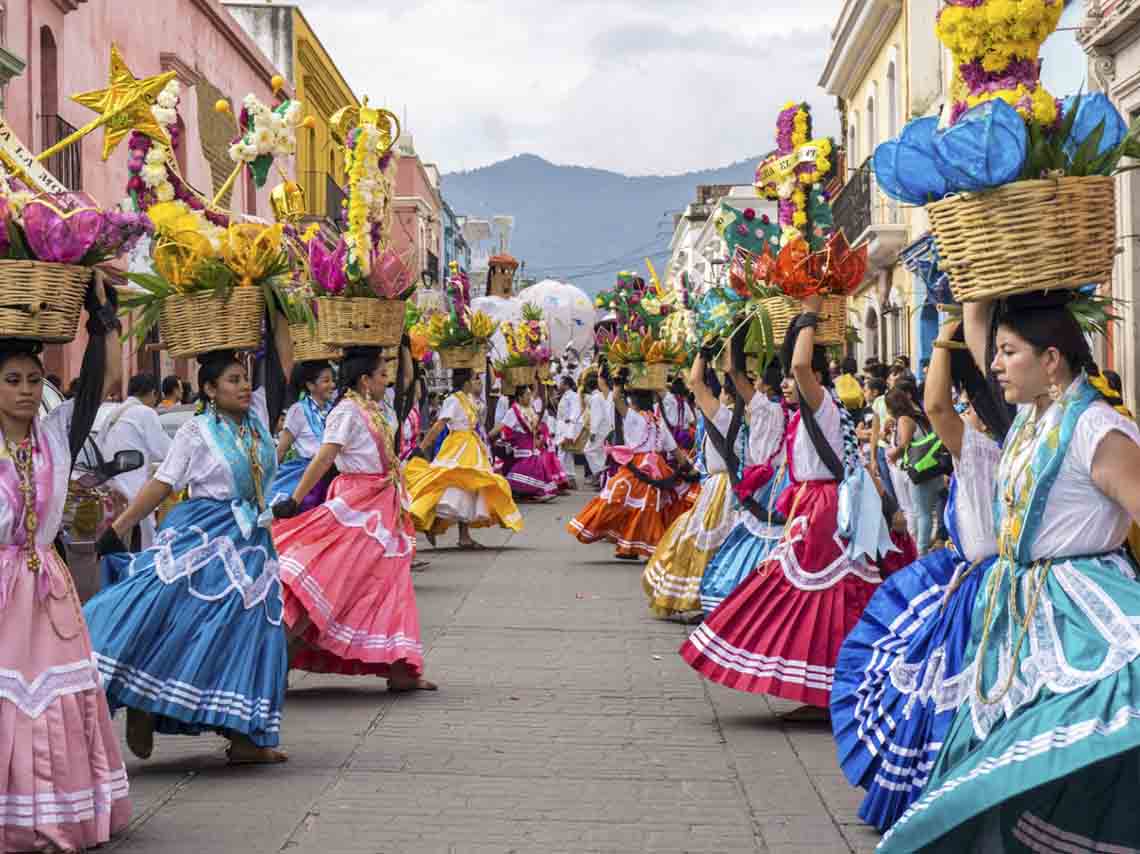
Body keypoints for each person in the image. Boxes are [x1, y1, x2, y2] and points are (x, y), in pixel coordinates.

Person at [879, 293, 1140, 852]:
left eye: (1007, 352)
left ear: (1051, 360)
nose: (993, 365)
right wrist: (974, 285)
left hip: (1083, 616)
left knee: (1058, 753)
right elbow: (978, 330)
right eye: (995, 351)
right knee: (1004, 759)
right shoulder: (1030, 417)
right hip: (1016, 614)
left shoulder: (1096, 428)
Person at [831, 320, 1010, 832]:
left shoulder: (987, 450)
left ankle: (954, 799)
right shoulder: (1011, 443)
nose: (965, 413)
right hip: (989, 580)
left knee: (957, 702)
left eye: (971, 405)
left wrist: (949, 334)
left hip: (989, 587)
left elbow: (934, 408)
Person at [680, 294, 889, 717]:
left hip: (824, 507)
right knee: (807, 599)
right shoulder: (803, 412)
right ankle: (818, 687)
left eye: (796, 378)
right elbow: (768, 370)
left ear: (814, 374)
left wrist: (807, 316)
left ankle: (826, 687)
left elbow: (795, 366)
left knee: (816, 599)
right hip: (809, 502)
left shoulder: (821, 404)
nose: (787, 384)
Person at [85, 350, 288, 765]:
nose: (244, 386)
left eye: (245, 378)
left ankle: (245, 736)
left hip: (252, 539)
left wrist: (275, 310)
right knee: (181, 619)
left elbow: (284, 365)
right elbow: (163, 484)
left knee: (252, 630)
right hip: (203, 535)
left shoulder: (257, 423)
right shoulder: (196, 431)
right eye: (233, 380)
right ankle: (141, 698)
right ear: (210, 390)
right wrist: (118, 528)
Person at [0, 272, 131, 852]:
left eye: (33, 379)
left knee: (53, 697)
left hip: (45, 586)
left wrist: (99, 320)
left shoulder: (54, 437)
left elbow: (95, 389)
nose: (26, 390)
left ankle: (57, 815)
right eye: (12, 381)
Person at [271, 347, 433, 690]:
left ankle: (400, 667)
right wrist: (294, 499)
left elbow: (407, 381)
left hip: (382, 504)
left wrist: (404, 349)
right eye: (381, 375)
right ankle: (274, 659)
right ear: (364, 380)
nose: (387, 381)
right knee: (334, 582)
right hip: (357, 507)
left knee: (388, 581)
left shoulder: (374, 408)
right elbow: (324, 458)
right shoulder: (347, 411)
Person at [642, 356, 741, 616]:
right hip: (724, 485)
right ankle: (708, 599)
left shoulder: (724, 416)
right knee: (707, 542)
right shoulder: (738, 416)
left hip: (724, 487)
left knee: (705, 544)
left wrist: (702, 355)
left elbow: (695, 382)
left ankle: (709, 600)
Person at [698, 358, 790, 613]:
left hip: (764, 483)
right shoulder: (795, 410)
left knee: (756, 540)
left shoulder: (763, 409)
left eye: (759, 380)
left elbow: (730, 371)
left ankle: (749, 601)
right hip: (786, 483)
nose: (756, 384)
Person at [568, 384, 692, 560]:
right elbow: (674, 450)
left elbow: (617, 400)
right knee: (644, 508)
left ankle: (641, 546)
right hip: (656, 468)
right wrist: (688, 468)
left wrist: (618, 382)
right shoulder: (658, 421)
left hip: (638, 467)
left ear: (633, 403)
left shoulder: (635, 418)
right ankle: (632, 546)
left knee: (620, 503)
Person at [406, 367, 523, 549]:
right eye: (475, 379)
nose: (479, 382)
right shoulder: (453, 400)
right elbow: (439, 425)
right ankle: (430, 522)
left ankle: (464, 536)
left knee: (470, 489)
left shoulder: (470, 400)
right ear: (466, 381)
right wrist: (422, 448)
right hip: (457, 446)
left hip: (471, 446)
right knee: (447, 486)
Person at [98, 373, 173, 549]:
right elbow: (164, 450)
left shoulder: (114, 412)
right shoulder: (145, 413)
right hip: (134, 489)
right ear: (153, 393)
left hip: (110, 486)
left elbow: (99, 445)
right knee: (146, 541)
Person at [272, 360, 336, 513]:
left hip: (333, 475)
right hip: (308, 478)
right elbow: (281, 450)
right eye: (326, 381)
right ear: (310, 385)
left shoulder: (335, 409)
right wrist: (267, 482)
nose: (332, 385)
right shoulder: (298, 410)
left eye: (333, 380)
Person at [884, 386, 942, 554]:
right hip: (930, 468)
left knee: (921, 512)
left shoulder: (904, 419)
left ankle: (920, 550)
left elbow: (903, 444)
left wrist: (892, 454)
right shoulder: (917, 416)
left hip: (919, 471)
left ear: (892, 406)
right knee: (927, 511)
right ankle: (921, 545)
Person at [489, 384, 559, 500]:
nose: (530, 397)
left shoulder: (529, 409)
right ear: (520, 397)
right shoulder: (513, 411)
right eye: (527, 395)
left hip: (530, 446)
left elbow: (536, 428)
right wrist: (488, 435)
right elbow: (502, 425)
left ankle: (535, 492)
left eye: (530, 394)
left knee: (537, 461)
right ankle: (533, 491)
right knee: (531, 462)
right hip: (520, 448)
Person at [554, 376, 584, 489]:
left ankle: (561, 479)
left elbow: (575, 413)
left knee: (563, 454)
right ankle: (569, 479)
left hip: (568, 427)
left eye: (561, 383)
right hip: (562, 427)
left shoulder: (573, 396)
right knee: (565, 454)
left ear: (566, 385)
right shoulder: (564, 396)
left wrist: (570, 431)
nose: (559, 386)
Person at [660, 376, 696, 450]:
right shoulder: (685, 404)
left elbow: (660, 390)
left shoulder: (668, 399)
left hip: (670, 436)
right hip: (682, 439)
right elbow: (693, 422)